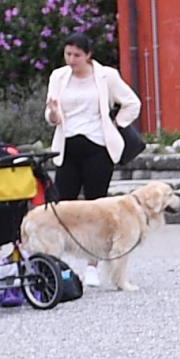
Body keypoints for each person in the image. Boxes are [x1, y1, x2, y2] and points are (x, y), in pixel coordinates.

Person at [41, 33, 142, 287]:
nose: (71, 59)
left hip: (98, 146)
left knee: (97, 206)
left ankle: (93, 266)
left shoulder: (106, 75)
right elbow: (51, 115)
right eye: (68, 54)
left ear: (88, 55)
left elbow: (132, 103)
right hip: (68, 145)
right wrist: (53, 113)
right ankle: (59, 265)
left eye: (76, 55)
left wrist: (116, 124)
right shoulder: (58, 76)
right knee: (61, 205)